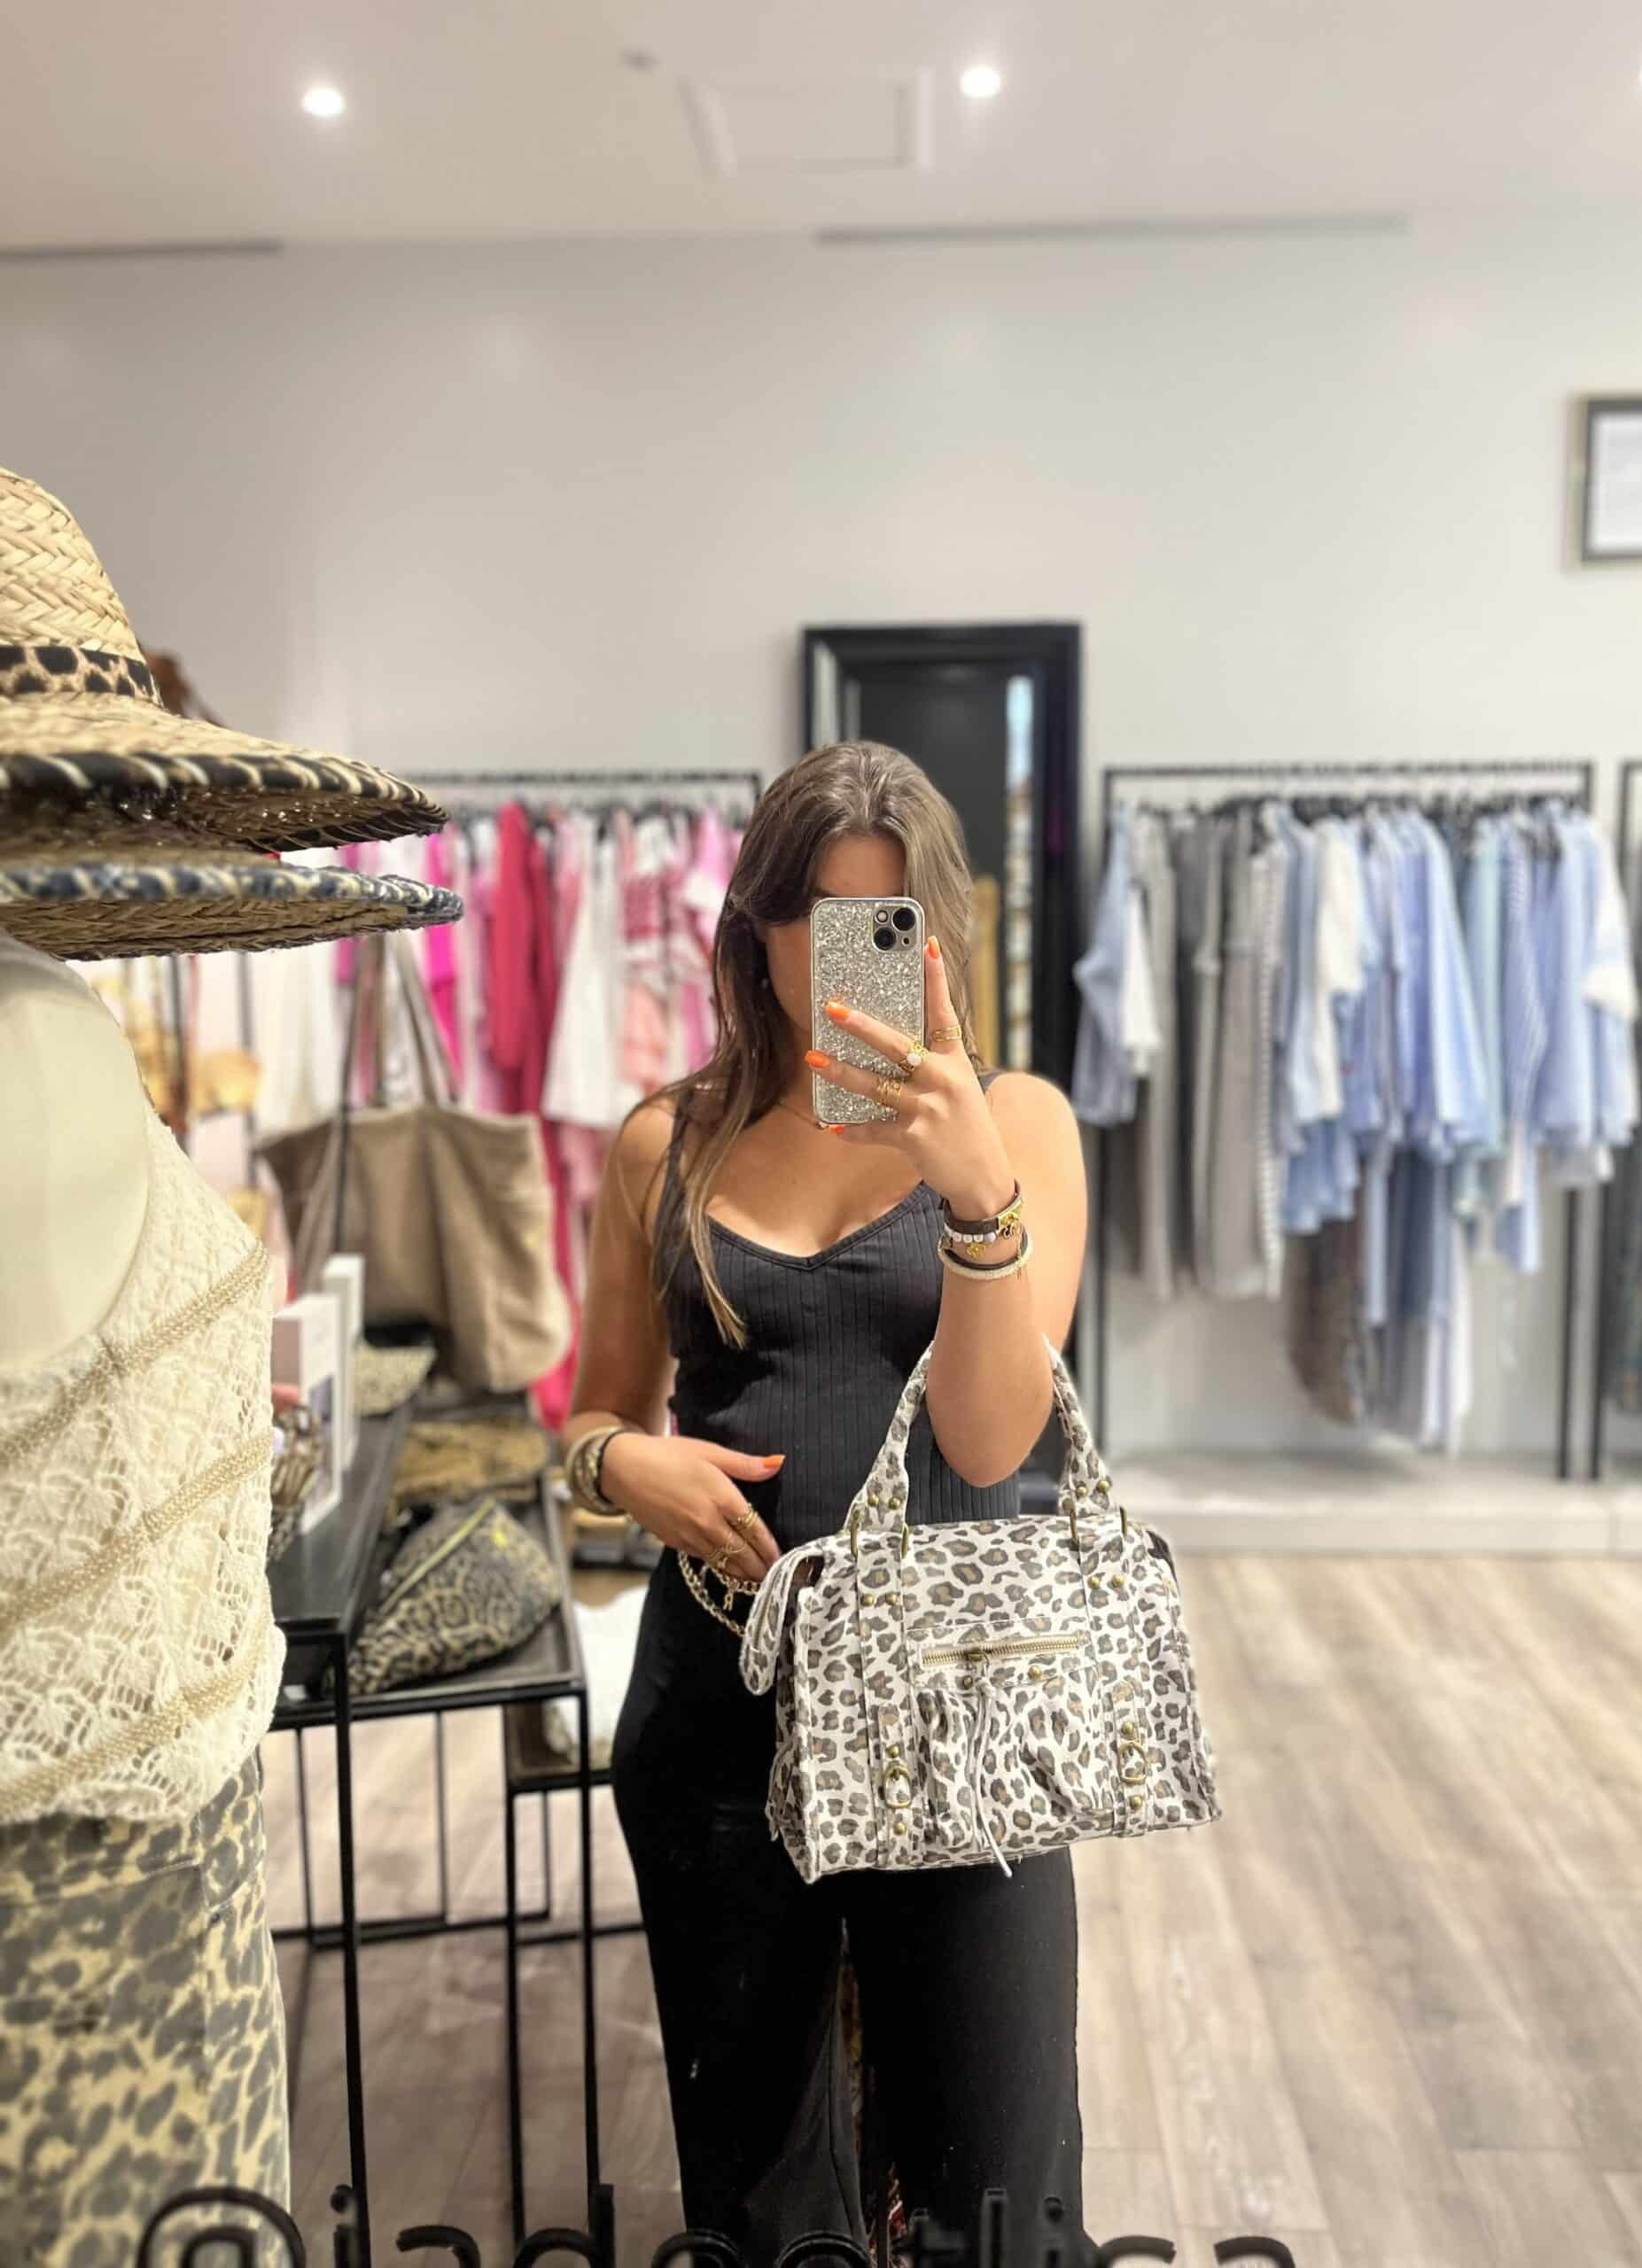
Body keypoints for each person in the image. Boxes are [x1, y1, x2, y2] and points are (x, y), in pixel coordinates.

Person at [564, 740, 1090, 2264]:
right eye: (813, 916)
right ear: (758, 928)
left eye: (885, 918)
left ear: (938, 929)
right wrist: (624, 1466)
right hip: (720, 1708)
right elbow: (590, 1412)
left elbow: (991, 1442)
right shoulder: (668, 1140)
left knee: (998, 2193)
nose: (845, 954)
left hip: (954, 1711)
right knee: (757, 2195)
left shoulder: (1020, 1126)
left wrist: (973, 1195)